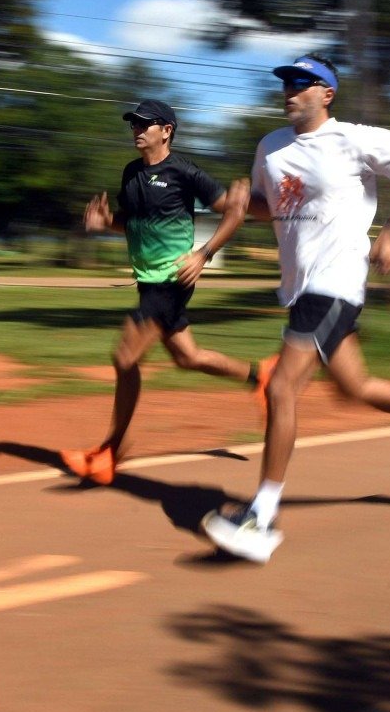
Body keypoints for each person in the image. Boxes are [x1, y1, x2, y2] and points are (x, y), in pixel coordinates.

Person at [201, 54, 390, 564]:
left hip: (337, 280)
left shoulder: (353, 139)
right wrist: (235, 205)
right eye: (286, 84)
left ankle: (262, 515)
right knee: (354, 387)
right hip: (300, 288)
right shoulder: (270, 148)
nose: (290, 91)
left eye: (302, 84)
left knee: (280, 386)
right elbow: (268, 206)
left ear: (327, 94)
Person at [61, 99, 273, 486]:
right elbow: (133, 223)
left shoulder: (184, 171)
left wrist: (205, 254)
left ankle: (110, 451)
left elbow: (234, 210)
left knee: (125, 357)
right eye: (133, 125)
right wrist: (106, 221)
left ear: (167, 130)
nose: (137, 130)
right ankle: (261, 377)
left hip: (174, 280)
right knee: (187, 358)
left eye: (145, 124)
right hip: (147, 281)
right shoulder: (130, 174)